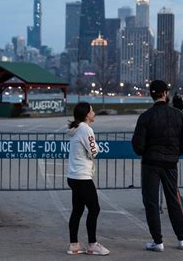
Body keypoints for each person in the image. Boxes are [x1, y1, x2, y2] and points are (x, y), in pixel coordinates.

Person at [132, 80, 183, 252]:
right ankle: (182, 239)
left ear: (152, 95)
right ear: (165, 93)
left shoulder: (145, 117)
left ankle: (157, 241)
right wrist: (175, 154)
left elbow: (137, 145)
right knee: (173, 199)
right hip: (170, 163)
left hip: (151, 163)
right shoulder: (178, 115)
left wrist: (146, 152)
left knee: (151, 202)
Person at [66, 102, 110, 256]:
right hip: (82, 177)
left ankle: (74, 245)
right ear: (86, 115)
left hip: (73, 176)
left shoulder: (76, 129)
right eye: (92, 110)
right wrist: (96, 148)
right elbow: (94, 151)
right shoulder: (86, 129)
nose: (94, 112)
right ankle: (92, 244)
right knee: (94, 208)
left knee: (77, 210)